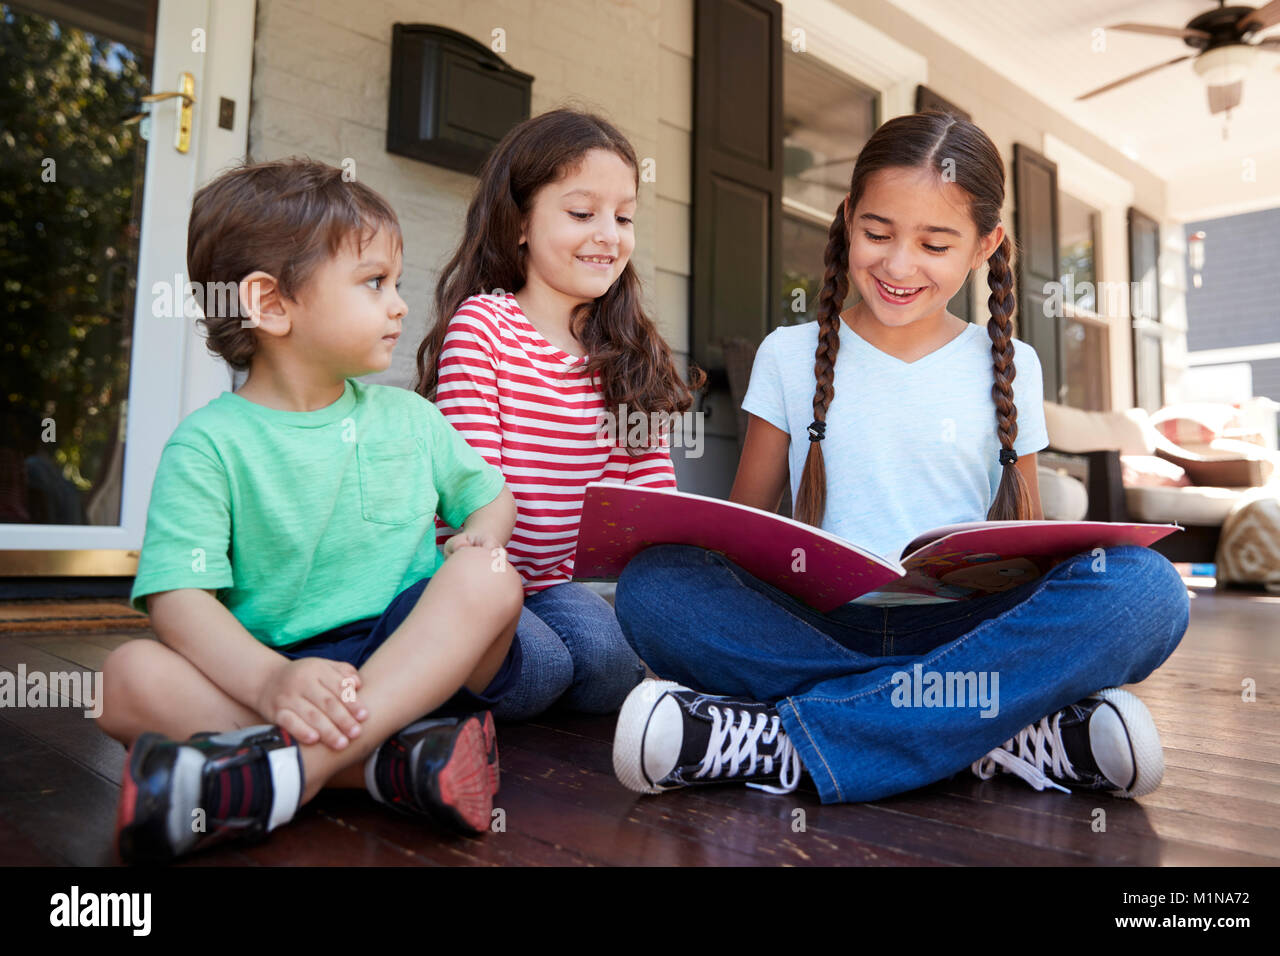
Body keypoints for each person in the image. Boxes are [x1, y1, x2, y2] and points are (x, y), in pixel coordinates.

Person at [611, 111, 1190, 805]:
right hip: (822, 627)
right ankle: (994, 733)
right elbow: (742, 530)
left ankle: (781, 739)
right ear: (848, 216)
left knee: (1147, 591)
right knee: (655, 586)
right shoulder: (789, 355)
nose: (898, 265)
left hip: (965, 628)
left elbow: (1032, 541)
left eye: (935, 244)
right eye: (876, 233)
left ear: (984, 247)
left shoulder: (1013, 365)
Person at [98, 159, 524, 863]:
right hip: (272, 673)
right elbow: (178, 598)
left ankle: (286, 770)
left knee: (491, 577)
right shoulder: (208, 444)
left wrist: (478, 537)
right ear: (270, 304)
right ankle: (389, 768)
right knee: (124, 679)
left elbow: (490, 497)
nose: (399, 305)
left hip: (410, 658)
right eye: (373, 283)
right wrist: (271, 680)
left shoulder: (409, 418)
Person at [415, 109, 704, 721]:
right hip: (476, 582)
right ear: (520, 223)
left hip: (552, 586)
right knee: (543, 666)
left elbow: (648, 499)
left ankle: (495, 690)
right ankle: (429, 677)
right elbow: (474, 492)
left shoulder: (627, 351)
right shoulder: (485, 329)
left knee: (608, 665)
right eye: (581, 213)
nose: (609, 234)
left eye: (623, 217)